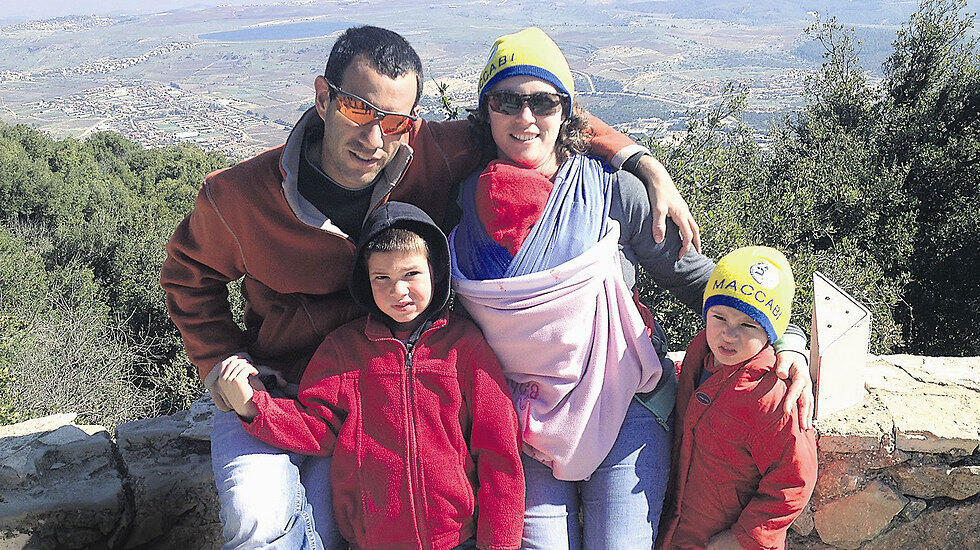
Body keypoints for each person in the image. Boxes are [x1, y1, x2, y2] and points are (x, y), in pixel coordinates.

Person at [160, 25, 695, 549]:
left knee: (330, 527)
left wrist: (638, 159)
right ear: (323, 97)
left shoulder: (431, 152)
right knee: (260, 520)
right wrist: (220, 363)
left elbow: (532, 119)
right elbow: (188, 275)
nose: (374, 138)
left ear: (411, 121)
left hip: (381, 390)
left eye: (393, 120)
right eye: (358, 109)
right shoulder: (237, 196)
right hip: (282, 384)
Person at [449, 27, 812, 549]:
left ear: (565, 110)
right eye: (507, 100)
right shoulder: (462, 199)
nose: (526, 118)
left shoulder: (612, 191)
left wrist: (788, 336)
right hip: (523, 420)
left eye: (543, 101)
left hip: (626, 404)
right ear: (486, 110)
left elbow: (700, 281)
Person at [215, 202, 525, 550]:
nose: (398, 291)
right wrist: (253, 406)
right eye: (382, 278)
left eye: (411, 274)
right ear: (366, 281)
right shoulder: (345, 350)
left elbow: (499, 450)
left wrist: (499, 544)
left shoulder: (464, 347)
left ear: (435, 271)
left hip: (457, 539)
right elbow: (318, 426)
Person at [658, 247, 817, 549]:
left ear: (772, 332)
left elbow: (794, 480)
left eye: (748, 324)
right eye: (719, 317)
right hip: (681, 531)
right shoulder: (699, 353)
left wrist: (743, 538)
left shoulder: (770, 395)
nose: (729, 335)